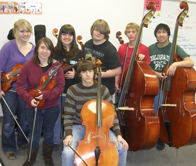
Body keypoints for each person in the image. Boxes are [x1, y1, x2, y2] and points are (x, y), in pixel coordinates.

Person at [62, 60, 128, 166]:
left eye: (90, 71)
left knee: (122, 147)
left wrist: (119, 135)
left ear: (94, 73)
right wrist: (69, 135)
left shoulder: (103, 90)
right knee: (68, 153)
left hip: (101, 128)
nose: (88, 74)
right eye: (84, 72)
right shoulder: (72, 90)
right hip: (78, 126)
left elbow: (112, 115)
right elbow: (68, 116)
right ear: (79, 74)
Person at [15, 37, 65, 166]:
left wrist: (46, 95)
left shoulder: (57, 67)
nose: (45, 51)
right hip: (33, 107)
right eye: (42, 47)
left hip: (52, 107)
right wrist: (29, 99)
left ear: (51, 51)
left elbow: (60, 87)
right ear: (37, 48)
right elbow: (20, 86)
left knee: (49, 134)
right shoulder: (28, 66)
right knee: (34, 134)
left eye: (48, 48)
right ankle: (31, 158)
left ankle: (47, 157)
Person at [148, 23, 194, 150]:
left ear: (168, 34)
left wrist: (175, 65)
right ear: (156, 35)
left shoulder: (174, 48)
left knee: (166, 111)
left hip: (171, 87)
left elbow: (190, 62)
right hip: (154, 85)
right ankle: (158, 135)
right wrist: (157, 74)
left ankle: (165, 135)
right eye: (159, 32)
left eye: (164, 32)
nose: (161, 35)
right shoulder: (150, 48)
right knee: (156, 111)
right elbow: (145, 68)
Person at [0, 19, 34, 160]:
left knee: (24, 121)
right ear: (15, 32)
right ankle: (9, 148)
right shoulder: (8, 47)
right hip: (9, 90)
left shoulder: (34, 48)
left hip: (26, 90)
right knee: (8, 121)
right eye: (22, 31)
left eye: (27, 31)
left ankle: (22, 142)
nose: (25, 34)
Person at [52, 24, 83, 151]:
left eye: (70, 34)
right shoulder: (54, 51)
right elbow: (48, 70)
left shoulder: (80, 53)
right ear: (59, 36)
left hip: (74, 92)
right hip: (58, 92)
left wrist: (75, 75)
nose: (67, 37)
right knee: (56, 117)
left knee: (74, 117)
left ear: (73, 37)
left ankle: (74, 140)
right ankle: (55, 141)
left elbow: (85, 72)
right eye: (64, 34)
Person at [83, 19, 121, 96]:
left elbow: (117, 70)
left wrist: (99, 74)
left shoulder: (110, 49)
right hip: (88, 88)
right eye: (96, 30)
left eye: (102, 31)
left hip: (104, 91)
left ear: (106, 33)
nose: (99, 33)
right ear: (92, 31)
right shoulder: (87, 44)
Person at [115, 22, 151, 93]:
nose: (131, 34)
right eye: (128, 32)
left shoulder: (144, 49)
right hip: (123, 81)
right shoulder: (122, 48)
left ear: (138, 33)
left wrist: (143, 60)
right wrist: (116, 83)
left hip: (138, 83)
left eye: (133, 32)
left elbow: (147, 69)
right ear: (126, 34)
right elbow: (118, 67)